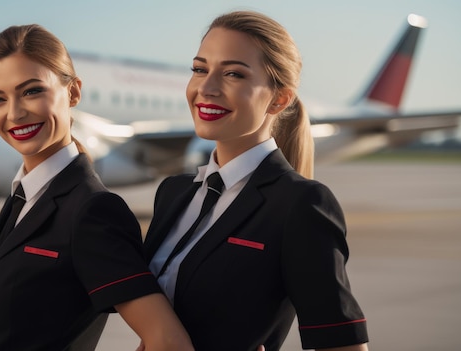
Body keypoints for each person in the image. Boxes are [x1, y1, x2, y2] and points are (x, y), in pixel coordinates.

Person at [144, 10, 369, 351]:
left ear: (279, 99)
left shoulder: (301, 204)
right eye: (199, 69)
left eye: (233, 73)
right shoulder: (173, 193)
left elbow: (342, 344)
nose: (206, 87)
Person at [0, 24, 193, 351]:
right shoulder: (24, 197)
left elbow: (167, 340)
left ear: (73, 93)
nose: (14, 113)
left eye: (31, 91)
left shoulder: (92, 211)